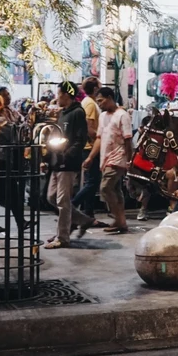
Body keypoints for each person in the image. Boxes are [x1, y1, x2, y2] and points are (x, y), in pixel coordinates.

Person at [44, 81, 93, 249]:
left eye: (59, 94)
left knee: (62, 201)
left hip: (68, 163)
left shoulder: (78, 113)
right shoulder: (62, 113)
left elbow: (80, 139)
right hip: (57, 162)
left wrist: (67, 155)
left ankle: (62, 237)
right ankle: (83, 220)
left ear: (66, 94)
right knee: (51, 197)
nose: (57, 97)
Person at [82, 87, 132, 234]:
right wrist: (91, 157)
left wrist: (129, 161)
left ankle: (118, 219)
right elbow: (99, 138)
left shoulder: (123, 116)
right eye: (97, 101)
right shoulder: (103, 116)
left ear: (110, 98)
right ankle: (121, 221)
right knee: (115, 189)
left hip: (118, 158)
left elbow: (128, 141)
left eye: (101, 101)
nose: (99, 104)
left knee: (105, 187)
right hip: (105, 158)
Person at [72, 77, 105, 226]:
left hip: (89, 146)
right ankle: (72, 207)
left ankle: (88, 213)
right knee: (92, 182)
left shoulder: (87, 102)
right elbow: (90, 127)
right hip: (90, 147)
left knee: (91, 181)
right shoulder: (90, 104)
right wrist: (98, 141)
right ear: (95, 88)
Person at [0, 93, 27, 231]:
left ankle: (21, 222)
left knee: (0, 193)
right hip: (1, 160)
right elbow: (14, 134)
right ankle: (21, 222)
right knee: (11, 192)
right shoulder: (0, 120)